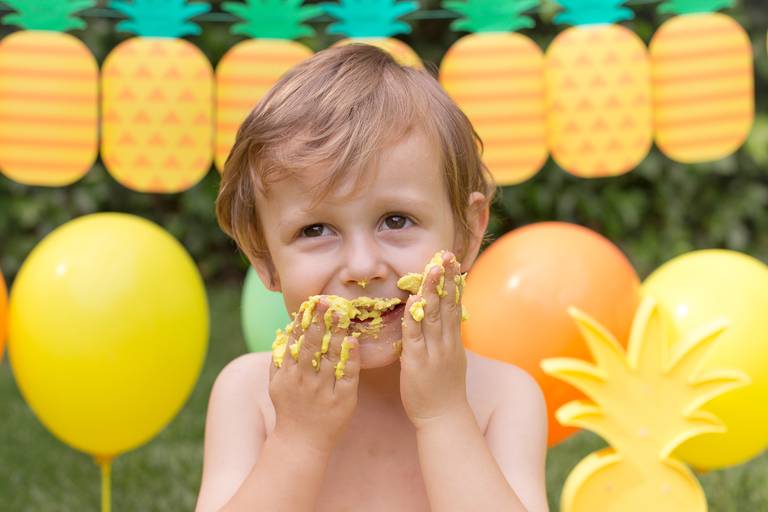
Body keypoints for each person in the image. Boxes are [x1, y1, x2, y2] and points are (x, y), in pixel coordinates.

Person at [196, 44, 548, 512]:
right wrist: (298, 439)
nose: (363, 268)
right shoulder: (249, 395)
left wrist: (444, 415)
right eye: (315, 230)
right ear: (264, 257)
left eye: (396, 220)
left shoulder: (503, 398)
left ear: (465, 234)